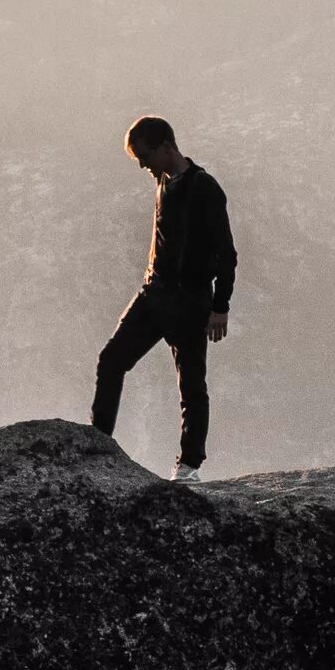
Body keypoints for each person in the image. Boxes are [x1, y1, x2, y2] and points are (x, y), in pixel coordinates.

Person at [92, 115, 236, 480]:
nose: (142, 165)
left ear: (168, 146)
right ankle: (96, 446)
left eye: (145, 156)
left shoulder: (204, 188)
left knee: (191, 384)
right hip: (153, 294)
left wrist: (220, 307)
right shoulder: (162, 180)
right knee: (111, 360)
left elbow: (227, 252)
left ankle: (188, 467)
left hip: (190, 302)